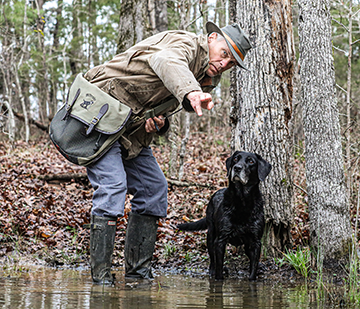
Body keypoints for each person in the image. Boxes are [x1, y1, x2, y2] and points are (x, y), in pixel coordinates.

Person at [83, 21, 252, 284]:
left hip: (130, 133)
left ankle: (137, 276)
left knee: (154, 189)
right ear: (212, 38)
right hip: (99, 118)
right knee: (113, 188)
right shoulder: (184, 44)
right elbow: (166, 62)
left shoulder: (202, 76)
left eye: (231, 63)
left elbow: (157, 104)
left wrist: (159, 122)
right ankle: (101, 281)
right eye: (224, 53)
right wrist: (192, 92)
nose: (224, 64)